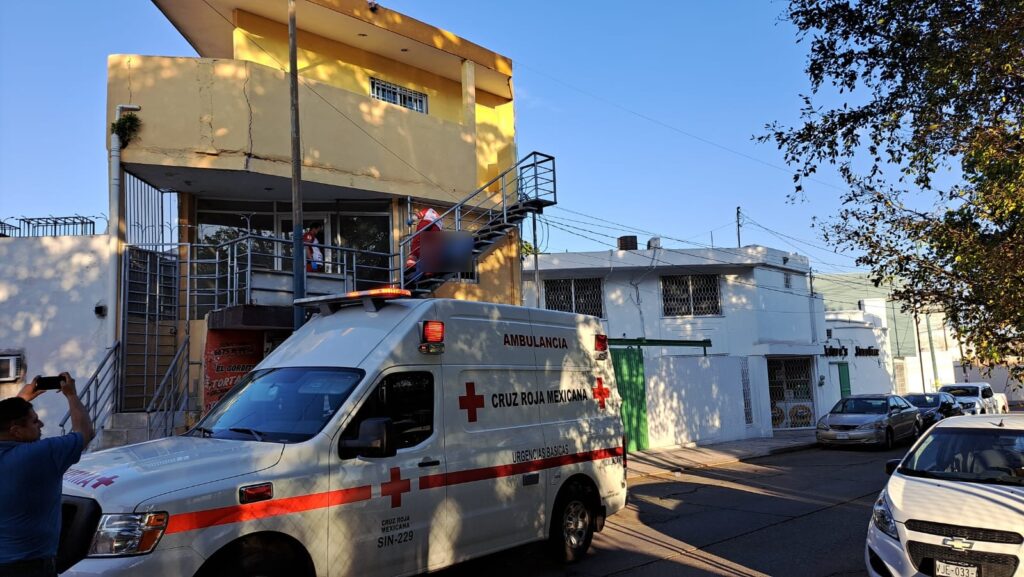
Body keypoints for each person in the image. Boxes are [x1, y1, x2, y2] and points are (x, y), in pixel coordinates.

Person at [0, 373, 94, 577]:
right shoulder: (38, 455)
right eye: (35, 422)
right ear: (16, 431)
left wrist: (20, 400)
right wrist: (71, 395)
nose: (41, 425)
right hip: (28, 568)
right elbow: (85, 432)